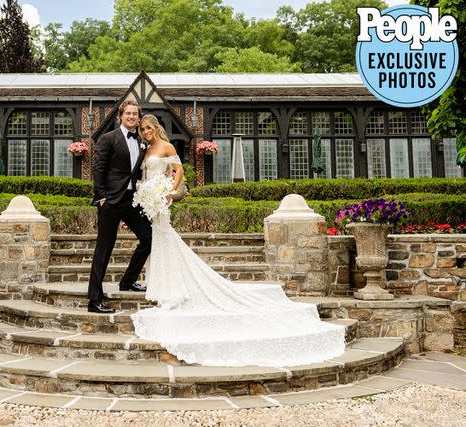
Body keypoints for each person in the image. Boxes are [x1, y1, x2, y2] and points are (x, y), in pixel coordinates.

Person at [131, 114, 346, 367]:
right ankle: (161, 286)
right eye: (142, 128)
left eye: (147, 127)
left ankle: (172, 288)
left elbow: (179, 172)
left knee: (164, 239)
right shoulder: (145, 150)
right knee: (157, 241)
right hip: (149, 201)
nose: (145, 131)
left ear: (156, 127)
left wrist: (167, 192)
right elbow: (144, 176)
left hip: (160, 200)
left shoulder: (166, 147)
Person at [87, 100, 152, 314]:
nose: (132, 117)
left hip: (133, 200)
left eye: (135, 114)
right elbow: (98, 168)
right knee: (104, 248)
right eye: (128, 113)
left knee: (149, 237)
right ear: (121, 116)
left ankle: (127, 281)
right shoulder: (108, 138)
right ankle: (94, 300)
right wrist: (101, 197)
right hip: (112, 200)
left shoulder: (143, 141)